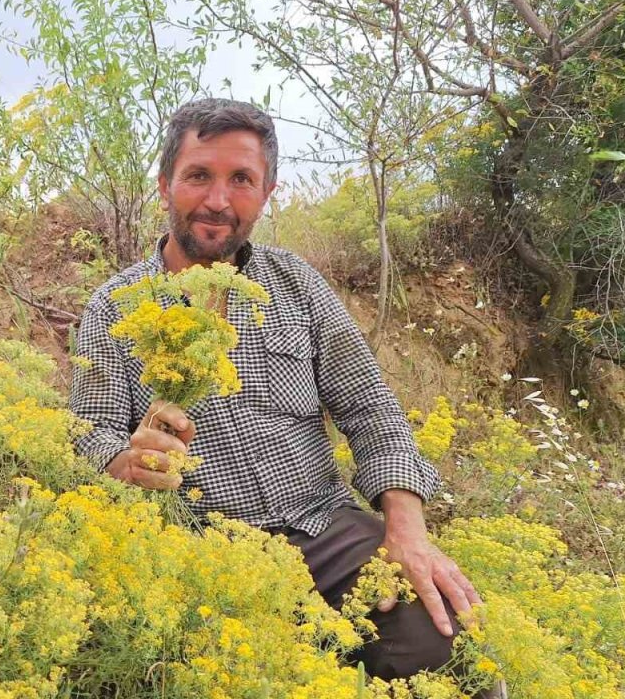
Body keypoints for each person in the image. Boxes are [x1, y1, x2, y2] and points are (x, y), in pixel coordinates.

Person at [69, 97, 504, 695]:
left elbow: (371, 408)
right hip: (202, 548)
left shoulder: (295, 283)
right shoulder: (116, 306)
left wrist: (407, 532)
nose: (218, 200)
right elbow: (88, 432)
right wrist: (126, 461)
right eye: (198, 176)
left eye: (241, 180)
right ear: (165, 184)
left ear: (267, 192)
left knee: (449, 645)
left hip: (325, 529)